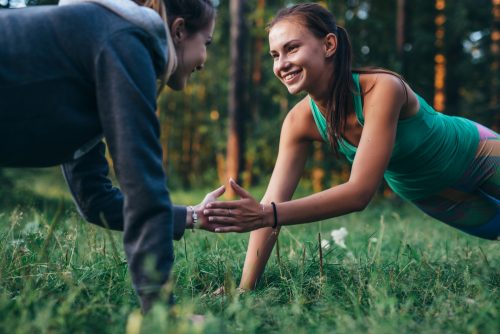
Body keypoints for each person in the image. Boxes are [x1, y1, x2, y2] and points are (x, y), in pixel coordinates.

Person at [203, 3, 499, 291]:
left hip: (476, 154)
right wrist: (243, 290)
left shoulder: (381, 89)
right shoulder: (298, 122)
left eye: (292, 48)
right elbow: (270, 202)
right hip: (431, 193)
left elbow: (359, 193)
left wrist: (268, 213)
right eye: (274, 55)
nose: (281, 64)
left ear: (329, 45)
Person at [0, 0, 222, 311]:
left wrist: (193, 216)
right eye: (207, 43)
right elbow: (143, 183)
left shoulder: (95, 45)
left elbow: (95, 201)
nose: (204, 60)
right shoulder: (124, 40)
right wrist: (161, 312)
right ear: (180, 30)